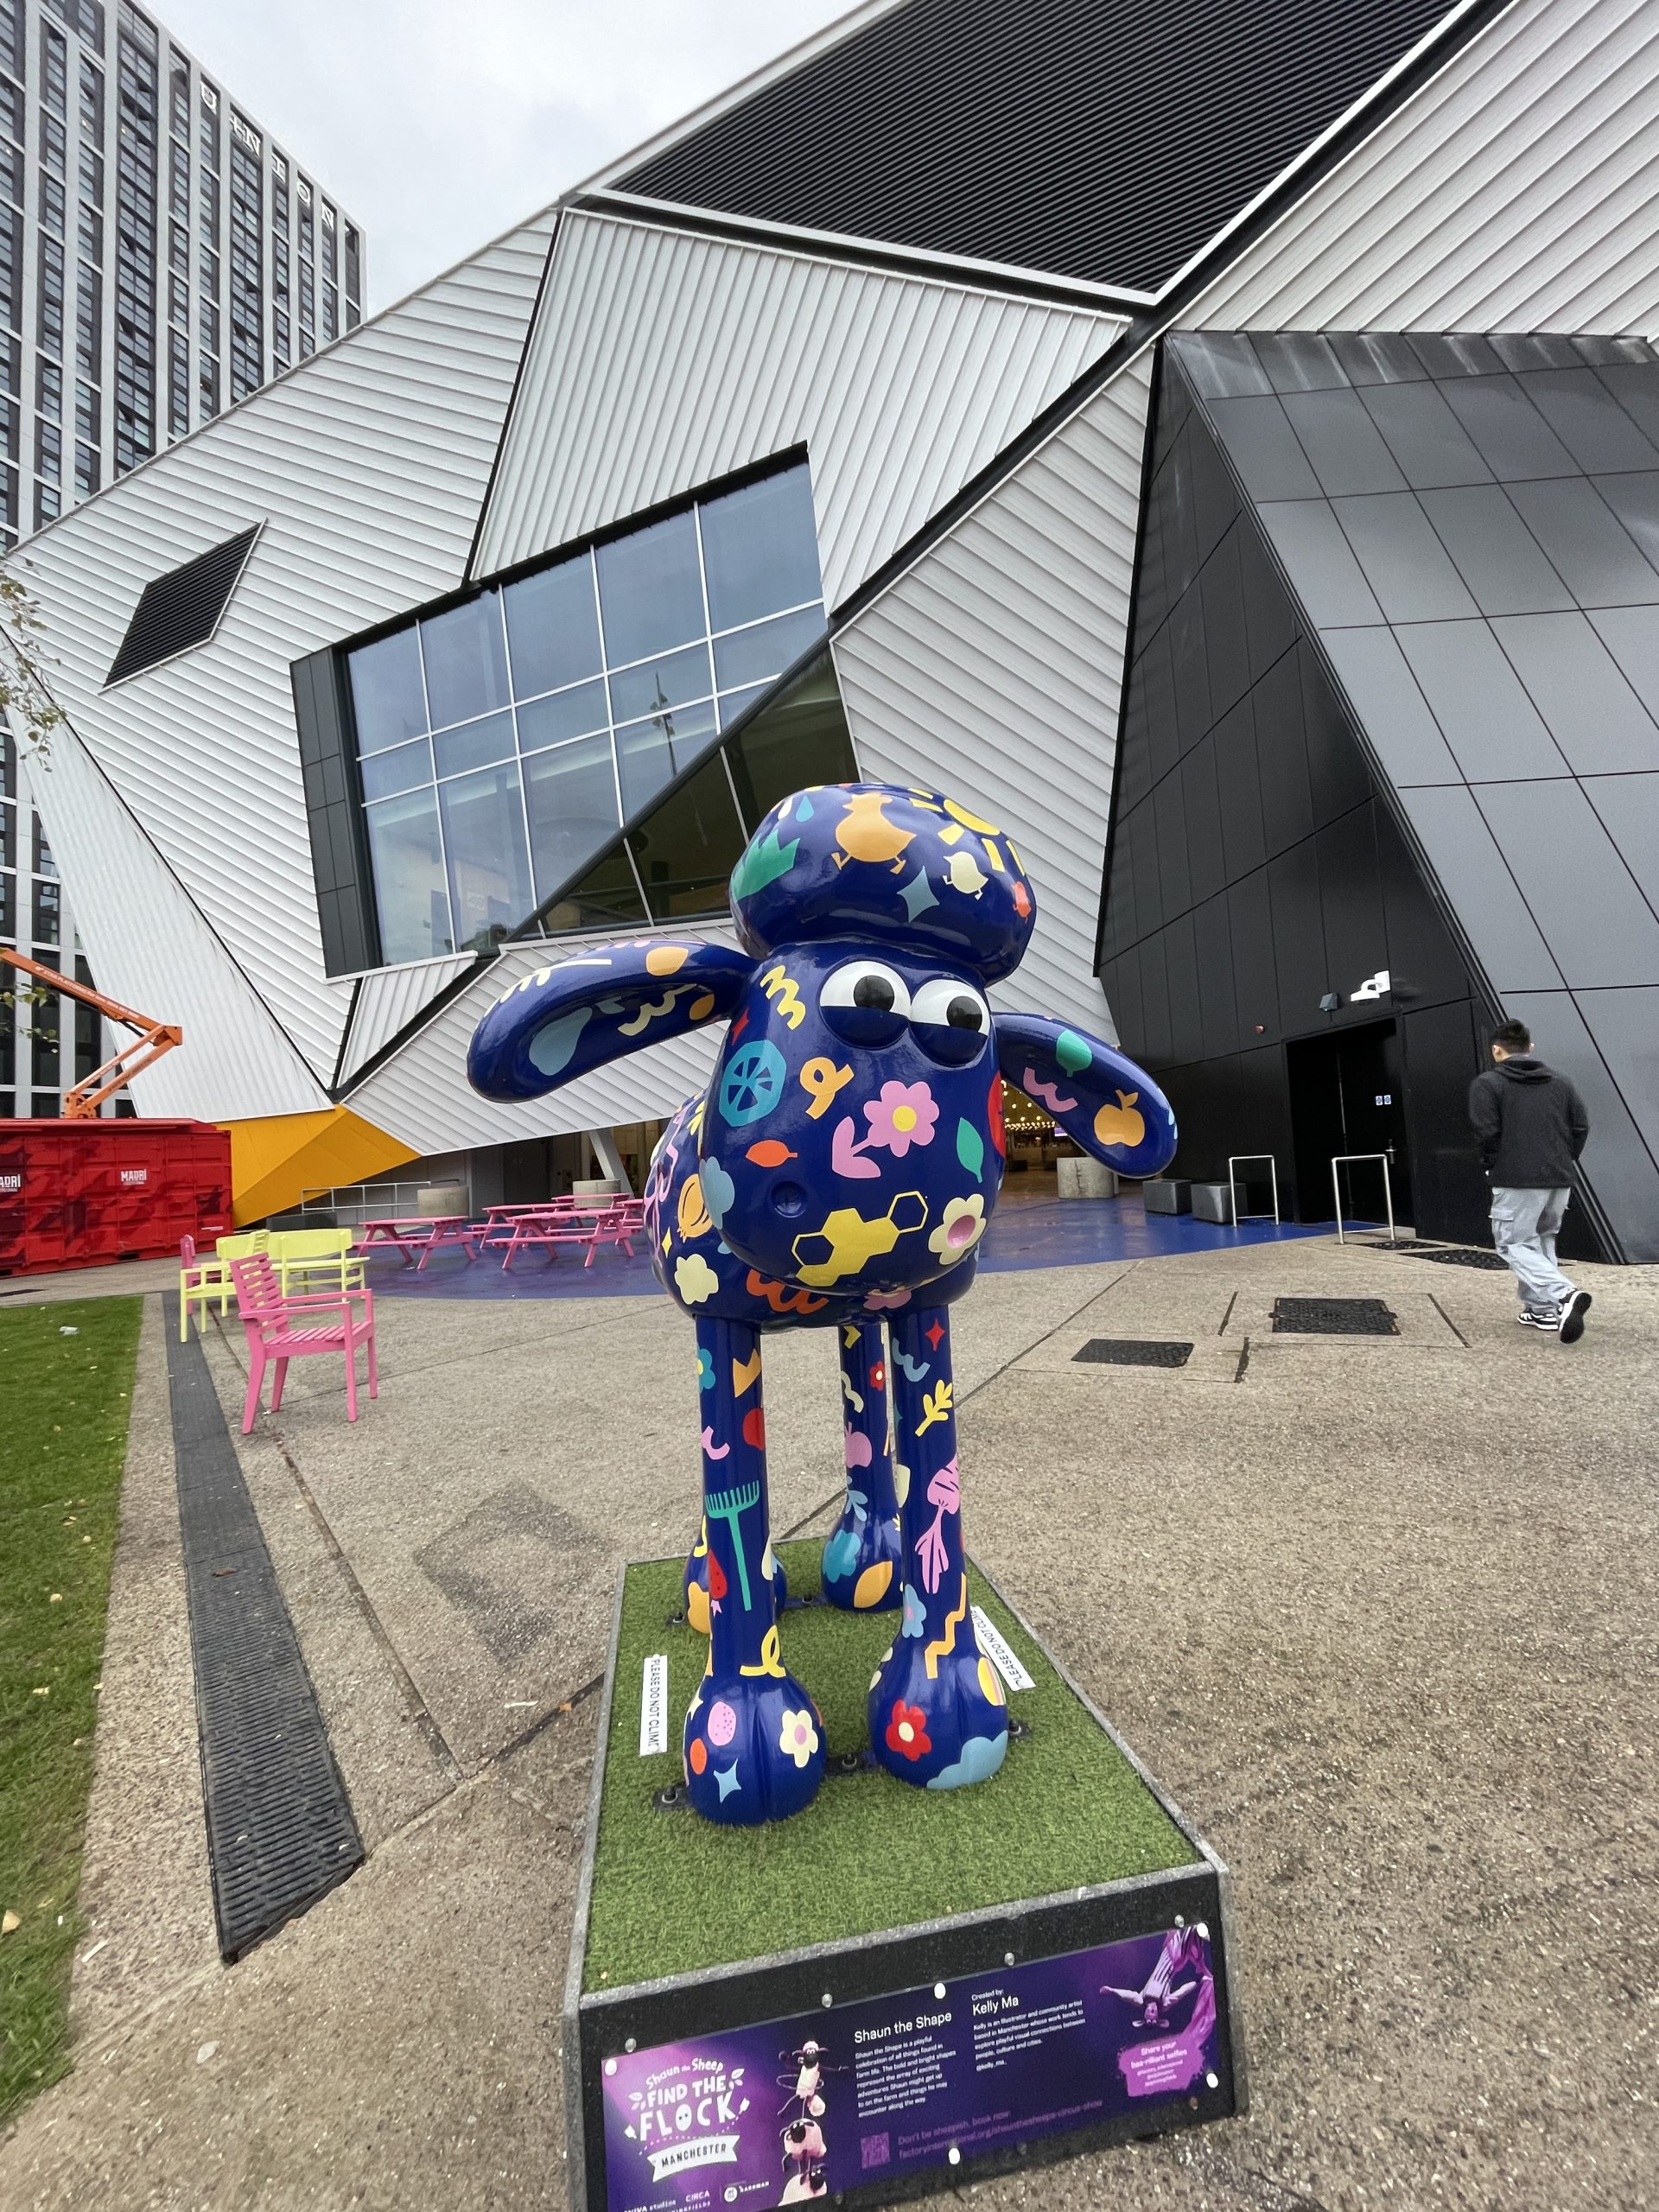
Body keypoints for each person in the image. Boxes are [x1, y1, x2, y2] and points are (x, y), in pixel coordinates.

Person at [1468, 1021, 1591, 1342]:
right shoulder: (1561, 1082)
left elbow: (1487, 1131)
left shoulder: (1489, 1083)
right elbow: (1580, 1127)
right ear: (1530, 1048)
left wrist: (1491, 1166)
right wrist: (1564, 1158)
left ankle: (1564, 1295)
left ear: (1497, 1050)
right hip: (1558, 1177)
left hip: (1516, 1178)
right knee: (1543, 1240)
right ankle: (1541, 1310)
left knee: (1513, 1243)